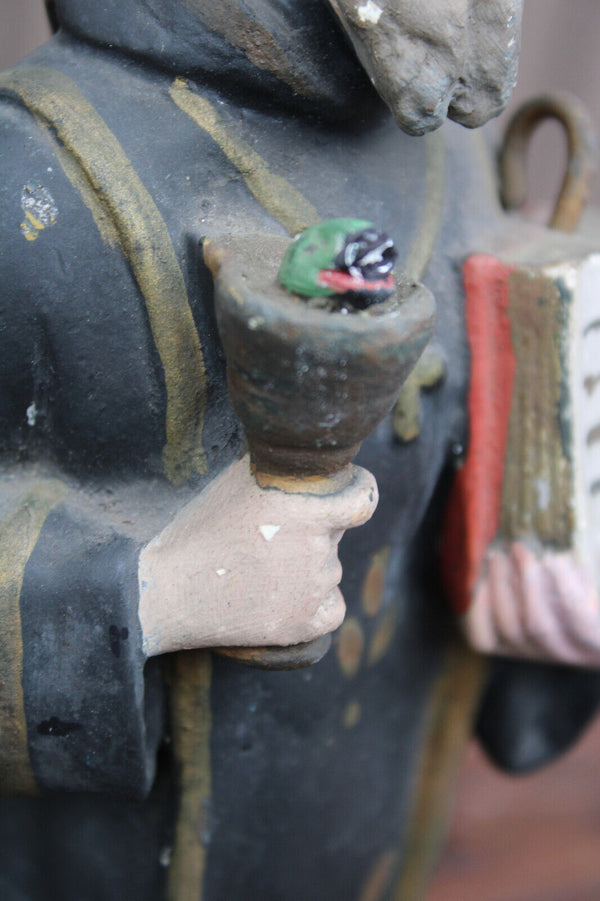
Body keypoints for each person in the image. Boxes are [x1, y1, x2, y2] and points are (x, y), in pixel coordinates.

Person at [1, 2, 600, 899]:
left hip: (383, 839)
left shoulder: (449, 149)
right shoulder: (29, 178)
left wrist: (557, 491)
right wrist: (156, 593)